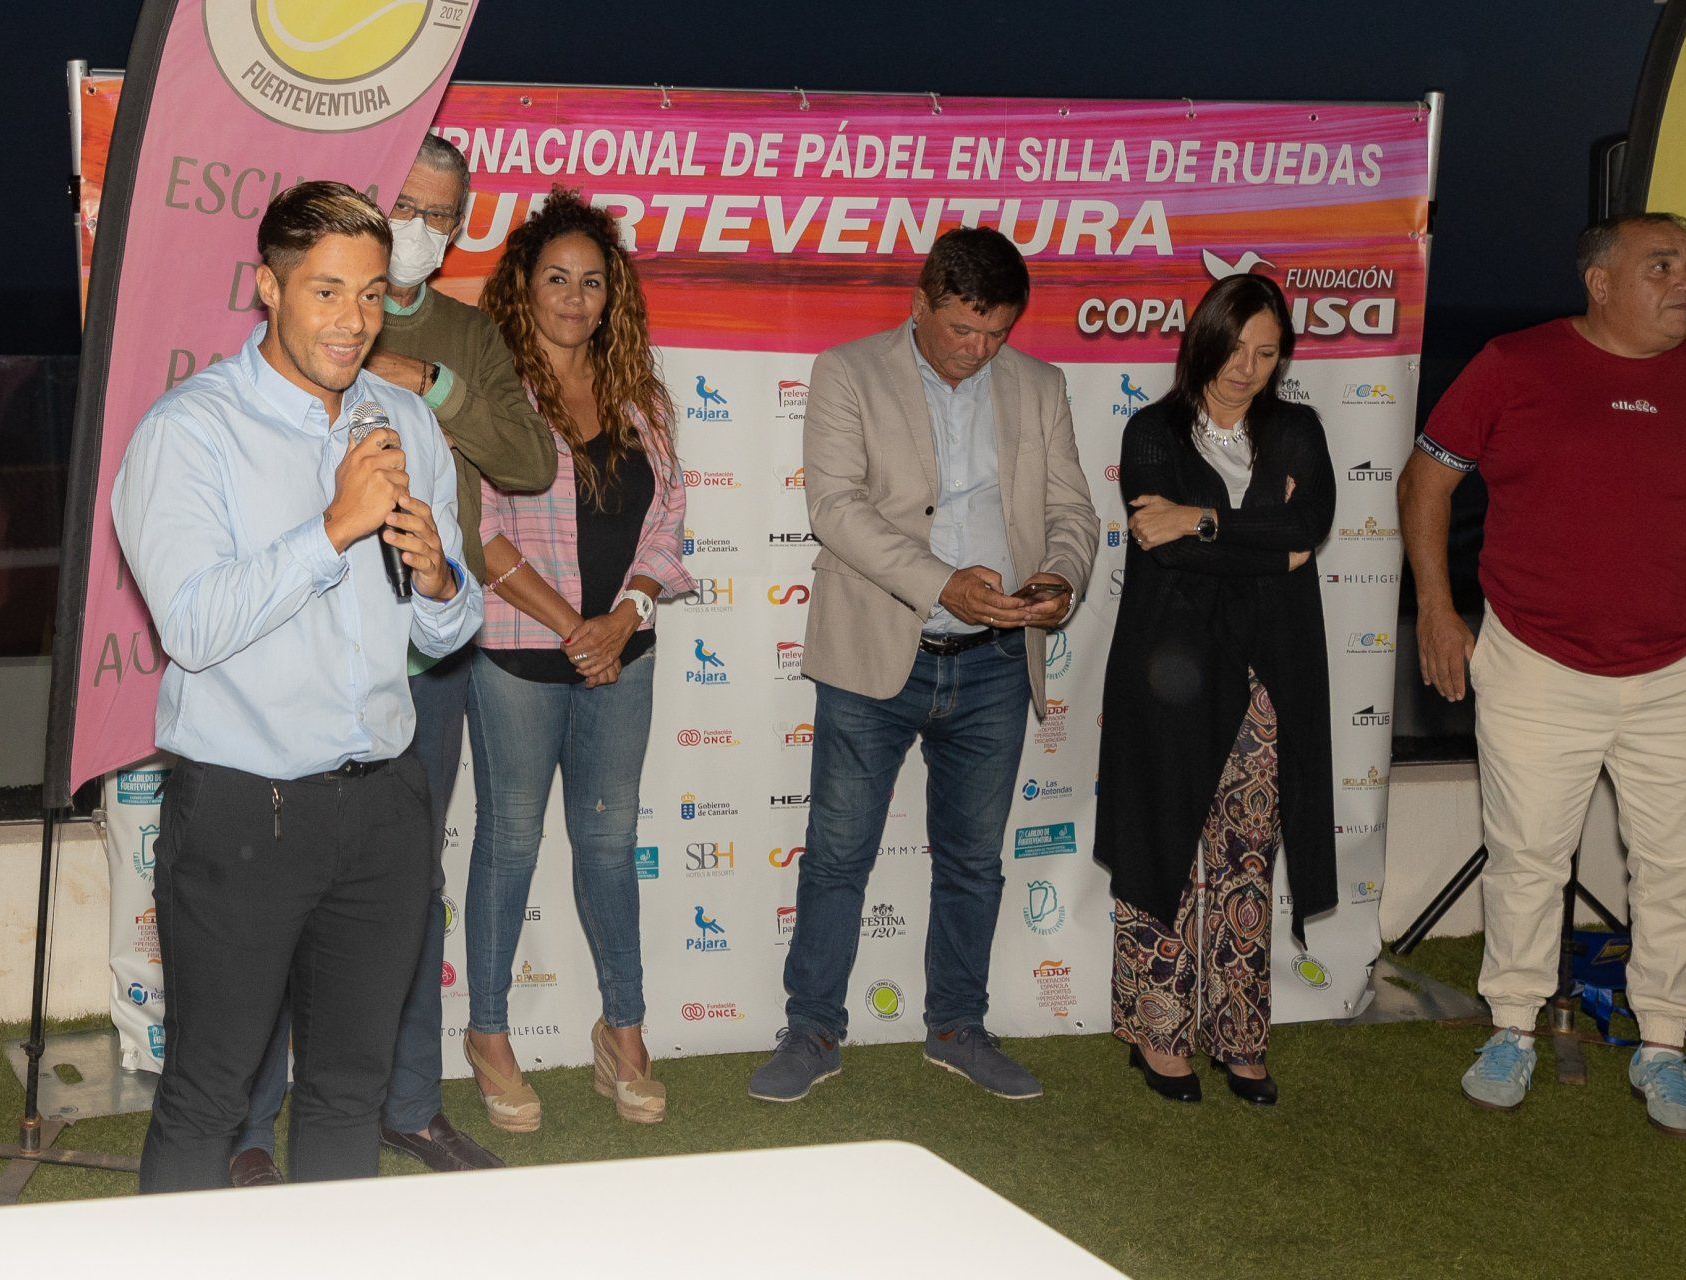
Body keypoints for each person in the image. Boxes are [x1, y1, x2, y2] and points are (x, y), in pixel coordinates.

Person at [112, 181, 481, 1191]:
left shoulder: (405, 422)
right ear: (268, 288)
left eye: (370, 294)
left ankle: (332, 1258)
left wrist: (441, 580)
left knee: (350, 1092)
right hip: (246, 813)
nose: (353, 320)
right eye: (326, 292)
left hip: (387, 806)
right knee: (209, 1093)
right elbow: (193, 627)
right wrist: (332, 529)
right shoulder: (190, 432)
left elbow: (450, 626)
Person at [1398, 212, 1686, 1139]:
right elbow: (1426, 481)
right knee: (1527, 858)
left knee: (1680, 868)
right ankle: (1512, 1030)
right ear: (1600, 281)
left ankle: (1663, 1045)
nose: (1685, 282)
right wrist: (1438, 611)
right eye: (1661, 266)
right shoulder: (1514, 364)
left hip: (1685, 671)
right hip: (1537, 663)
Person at [228, 135, 557, 1186]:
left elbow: (528, 458)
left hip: (426, 658)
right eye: (404, 204)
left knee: (408, 894)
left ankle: (408, 1106)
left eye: (440, 214)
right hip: (300, 652)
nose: (419, 228)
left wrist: (438, 386)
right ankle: (247, 1127)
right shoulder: (307, 315)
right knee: (278, 901)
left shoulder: (468, 331)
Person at [748, 226, 1099, 1103]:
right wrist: (944, 583)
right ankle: (812, 1030)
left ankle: (957, 1027)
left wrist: (1060, 577)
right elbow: (835, 508)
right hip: (875, 652)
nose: (978, 350)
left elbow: (1073, 512)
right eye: (962, 330)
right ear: (919, 305)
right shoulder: (847, 373)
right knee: (837, 855)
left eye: (996, 333)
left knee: (974, 860)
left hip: (995, 662)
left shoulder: (1042, 386)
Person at [460, 188, 691, 1129]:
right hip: (521, 658)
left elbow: (668, 522)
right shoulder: (491, 393)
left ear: (612, 295)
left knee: (607, 845)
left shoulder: (641, 394)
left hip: (622, 657)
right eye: (556, 278)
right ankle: (487, 1034)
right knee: (509, 843)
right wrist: (576, 628)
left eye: (592, 282)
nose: (574, 297)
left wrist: (625, 617)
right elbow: (480, 533)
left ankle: (622, 1032)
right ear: (524, 287)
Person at [1093, 273, 1336, 1106]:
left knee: (1246, 859)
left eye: (1266, 353)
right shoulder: (1152, 430)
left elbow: (1306, 530)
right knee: (1161, 844)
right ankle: (1159, 1035)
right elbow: (1163, 545)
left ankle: (1241, 1036)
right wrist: (1262, 547)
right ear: (1203, 341)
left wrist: (1200, 520)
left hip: (1268, 675)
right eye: (1234, 348)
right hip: (1168, 672)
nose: (1246, 368)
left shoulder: (1297, 429)